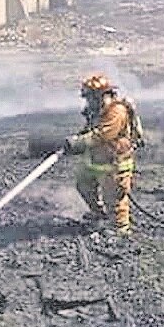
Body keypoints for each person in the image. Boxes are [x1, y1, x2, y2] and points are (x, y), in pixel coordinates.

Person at [65, 74, 142, 236]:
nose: (88, 101)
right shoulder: (96, 111)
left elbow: (102, 135)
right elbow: (89, 130)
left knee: (114, 198)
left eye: (91, 97)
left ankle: (120, 228)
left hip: (115, 163)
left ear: (103, 95)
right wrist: (77, 138)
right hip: (97, 159)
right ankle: (99, 214)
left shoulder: (117, 112)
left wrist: (78, 142)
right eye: (87, 98)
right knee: (83, 185)